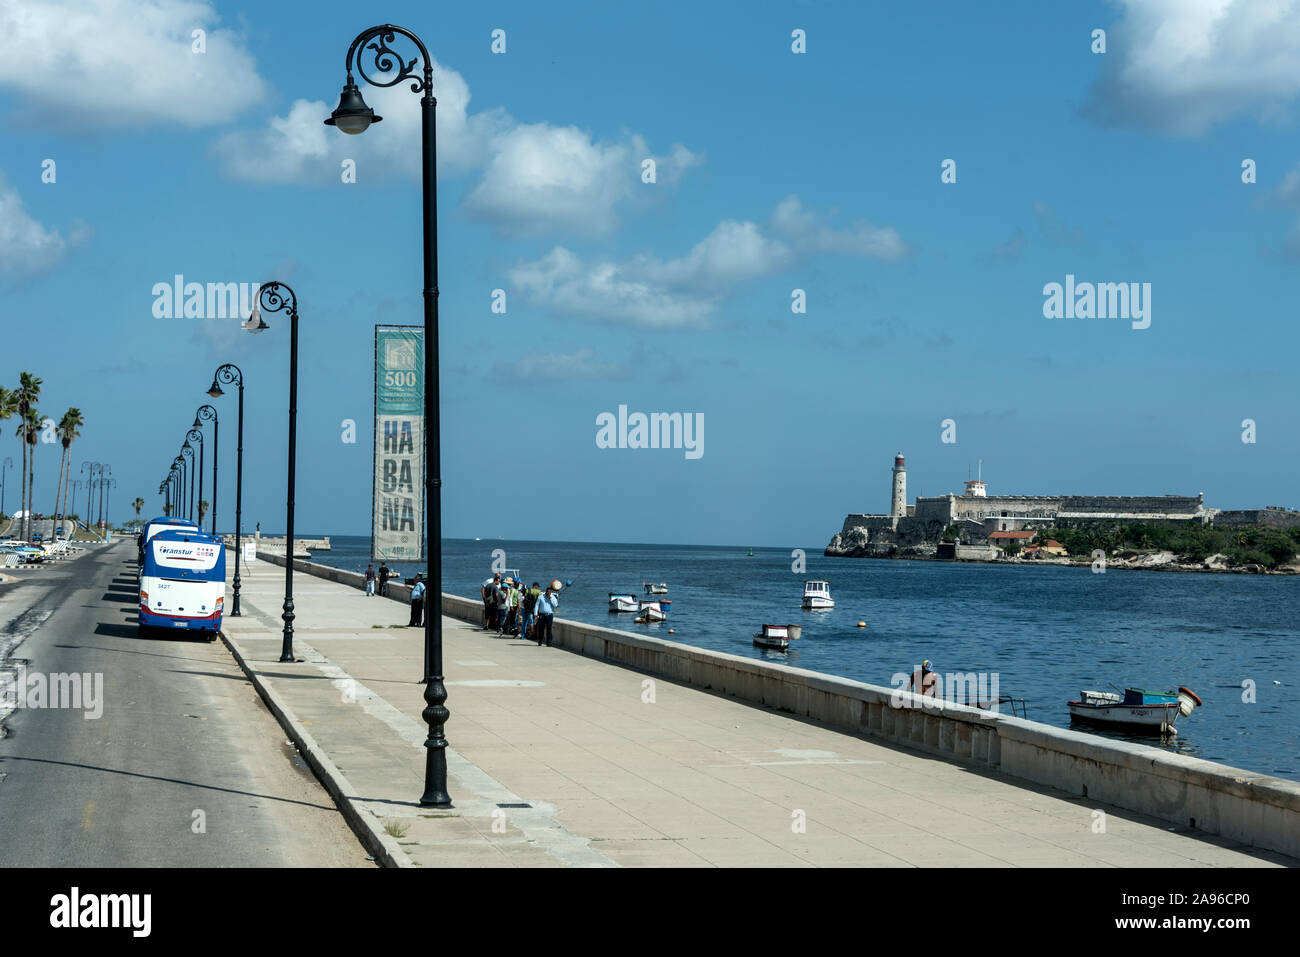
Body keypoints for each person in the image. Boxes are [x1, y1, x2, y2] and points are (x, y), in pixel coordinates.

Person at [534, 582, 559, 647]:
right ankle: (540, 641)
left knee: (549, 629)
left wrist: (550, 599)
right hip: (542, 615)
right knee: (541, 629)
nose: (548, 593)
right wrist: (535, 614)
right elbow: (536, 605)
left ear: (551, 592)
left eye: (549, 592)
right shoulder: (541, 597)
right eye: (547, 591)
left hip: (549, 615)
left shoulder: (553, 597)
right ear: (546, 591)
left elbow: (555, 605)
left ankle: (549, 643)